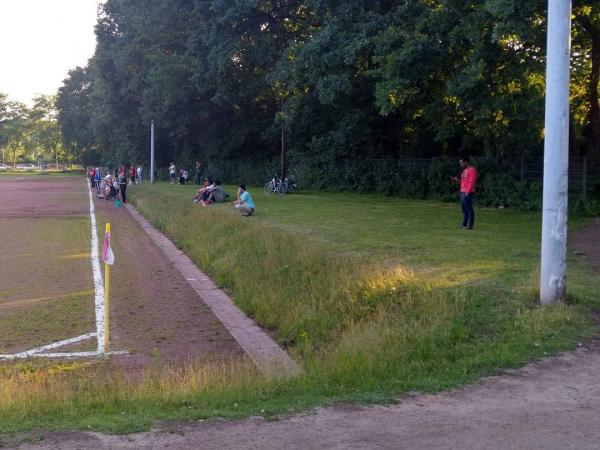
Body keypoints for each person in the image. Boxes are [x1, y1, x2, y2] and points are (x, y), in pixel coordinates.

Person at [451, 156, 478, 230]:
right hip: (462, 192)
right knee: (464, 210)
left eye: (461, 162)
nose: (461, 164)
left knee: (469, 209)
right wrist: (457, 180)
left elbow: (472, 182)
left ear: (466, 162)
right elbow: (463, 182)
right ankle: (464, 225)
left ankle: (470, 226)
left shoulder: (472, 170)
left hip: (467, 192)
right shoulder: (464, 171)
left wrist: (467, 192)